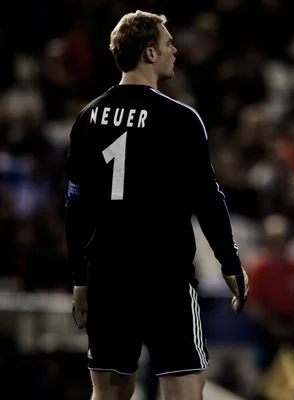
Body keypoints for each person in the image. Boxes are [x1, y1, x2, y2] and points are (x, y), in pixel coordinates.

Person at [64, 10, 249, 400]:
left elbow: (76, 208)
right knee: (184, 388)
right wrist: (229, 263)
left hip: (108, 276)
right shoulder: (180, 118)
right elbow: (207, 199)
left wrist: (81, 278)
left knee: (108, 392)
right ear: (150, 53)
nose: (174, 50)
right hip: (165, 276)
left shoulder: (87, 118)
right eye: (168, 44)